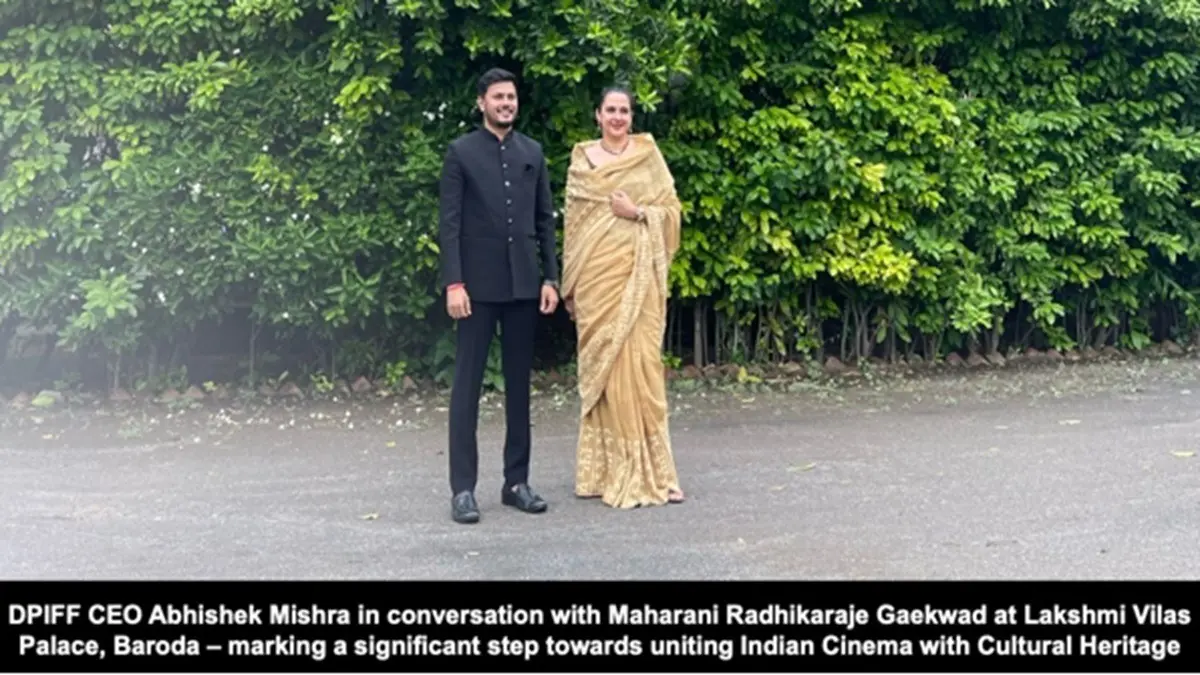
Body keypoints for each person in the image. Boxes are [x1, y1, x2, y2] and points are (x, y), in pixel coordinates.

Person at [438, 67, 560, 524]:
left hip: (524, 286)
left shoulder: (533, 151)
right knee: (467, 387)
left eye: (511, 97)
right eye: (497, 97)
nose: (505, 103)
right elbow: (449, 224)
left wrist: (551, 278)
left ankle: (516, 482)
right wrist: (454, 282)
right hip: (476, 289)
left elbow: (545, 219)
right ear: (481, 103)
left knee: (519, 389)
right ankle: (463, 489)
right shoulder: (461, 152)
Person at [560, 85, 685, 509]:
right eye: (610, 110)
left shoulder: (649, 156)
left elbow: (672, 212)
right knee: (606, 375)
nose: (617, 117)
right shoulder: (582, 162)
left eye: (624, 110)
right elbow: (573, 230)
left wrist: (638, 213)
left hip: (640, 278)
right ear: (597, 115)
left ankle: (660, 475)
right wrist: (570, 285)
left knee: (645, 370)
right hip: (597, 282)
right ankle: (604, 472)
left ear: (632, 116)